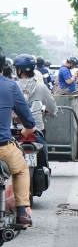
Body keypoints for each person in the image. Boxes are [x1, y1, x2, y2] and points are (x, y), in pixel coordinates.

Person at [0, 47, 35, 226]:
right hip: (4, 149)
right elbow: (28, 119)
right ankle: (22, 210)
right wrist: (28, 128)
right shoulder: (10, 85)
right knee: (21, 169)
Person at [14, 54, 57, 164]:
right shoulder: (41, 87)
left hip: (16, 129)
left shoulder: (13, 86)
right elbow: (52, 106)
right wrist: (53, 113)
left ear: (19, 70)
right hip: (37, 129)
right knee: (43, 151)